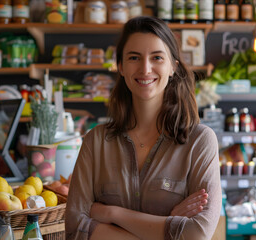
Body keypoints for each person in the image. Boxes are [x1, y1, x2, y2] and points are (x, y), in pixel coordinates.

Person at [65, 16, 221, 240]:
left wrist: (111, 213)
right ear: (120, 66)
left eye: (157, 57)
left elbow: (197, 233)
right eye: (134, 57)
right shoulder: (96, 142)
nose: (145, 68)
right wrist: (169, 224)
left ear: (172, 67)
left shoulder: (200, 141)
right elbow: (74, 227)